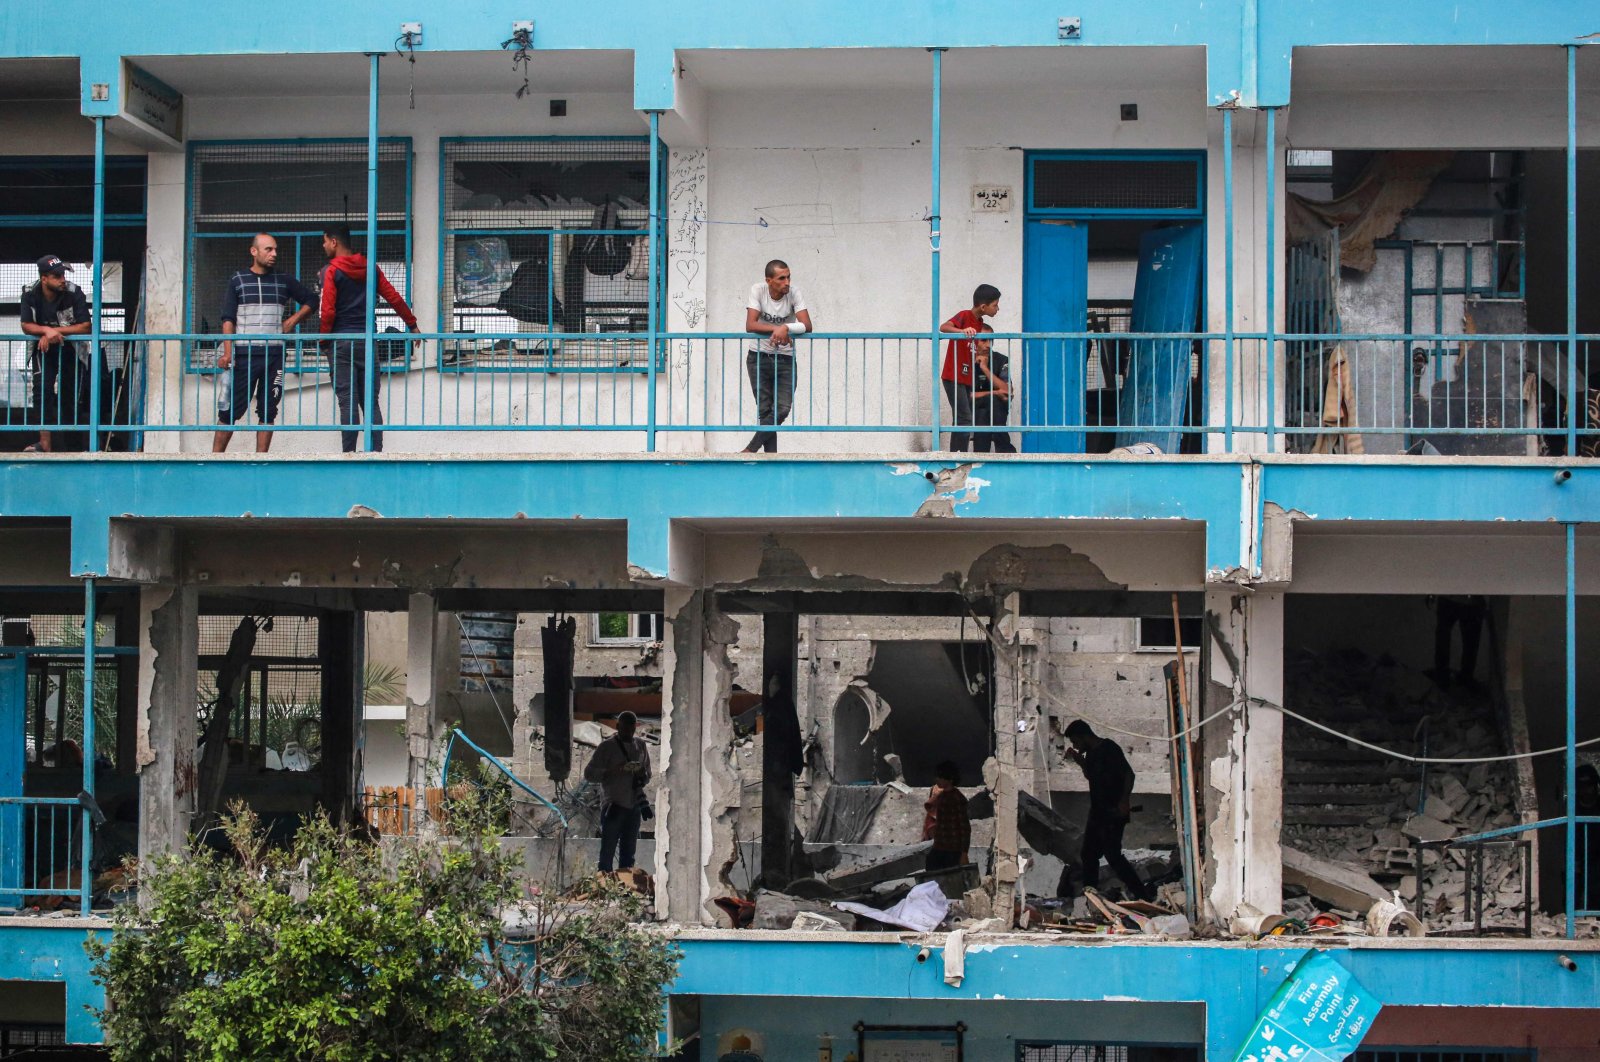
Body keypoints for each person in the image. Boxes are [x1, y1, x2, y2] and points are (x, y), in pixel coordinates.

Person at [318, 224, 419, 453]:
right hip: (367, 342)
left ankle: (350, 455)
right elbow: (393, 297)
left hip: (341, 342)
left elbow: (328, 311)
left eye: (324, 241)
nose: (323, 246)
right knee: (370, 402)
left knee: (348, 401)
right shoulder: (370, 268)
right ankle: (375, 454)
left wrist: (324, 340)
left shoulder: (331, 271)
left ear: (334, 241)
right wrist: (412, 325)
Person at [214, 234, 315, 453]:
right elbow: (228, 319)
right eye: (268, 249)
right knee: (230, 411)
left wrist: (292, 320)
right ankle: (214, 459)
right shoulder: (238, 280)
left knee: (269, 410)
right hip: (244, 355)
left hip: (274, 356)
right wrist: (228, 352)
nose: (274, 254)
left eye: (275, 250)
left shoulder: (283, 280)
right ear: (254, 251)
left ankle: (261, 461)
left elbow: (311, 300)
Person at [1064, 719, 1153, 901]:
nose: (1075, 745)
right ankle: (1091, 896)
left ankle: (1141, 895)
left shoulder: (1109, 748)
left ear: (1084, 736)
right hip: (1097, 813)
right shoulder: (1091, 755)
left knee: (1113, 856)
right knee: (1088, 854)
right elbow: (1092, 776)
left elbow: (1129, 774)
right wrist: (1081, 763)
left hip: (1112, 813)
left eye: (1075, 741)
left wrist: (1124, 801)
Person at [19, 255, 91, 453]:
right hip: (44, 348)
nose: (62, 279)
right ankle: (45, 444)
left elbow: (86, 327)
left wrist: (54, 332)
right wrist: (45, 331)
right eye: (56, 276)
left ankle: (74, 448)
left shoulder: (74, 292)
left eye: (63, 274)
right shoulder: (30, 292)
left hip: (72, 349)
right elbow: (26, 325)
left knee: (71, 396)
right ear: (44, 278)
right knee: (42, 392)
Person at [742, 260, 812, 453]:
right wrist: (778, 329)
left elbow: (807, 325)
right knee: (765, 411)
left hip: (785, 358)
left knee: (781, 409)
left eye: (789, 277)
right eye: (782, 278)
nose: (787, 282)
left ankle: (750, 449)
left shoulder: (794, 292)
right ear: (769, 280)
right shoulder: (758, 290)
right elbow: (751, 325)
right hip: (758, 357)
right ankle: (770, 458)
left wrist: (786, 327)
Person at [584, 710, 652, 873]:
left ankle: (625, 888)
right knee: (607, 851)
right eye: (625, 728)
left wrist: (642, 775)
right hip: (613, 804)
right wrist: (612, 771)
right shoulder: (606, 747)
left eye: (631, 728)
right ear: (617, 726)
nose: (629, 731)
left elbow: (648, 773)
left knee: (629, 853)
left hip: (634, 805)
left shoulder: (640, 745)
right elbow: (589, 774)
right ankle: (605, 886)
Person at [938, 284, 1001, 452]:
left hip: (966, 376)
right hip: (954, 375)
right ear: (983, 306)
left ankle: (956, 453)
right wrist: (961, 330)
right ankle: (958, 455)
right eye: (995, 305)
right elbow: (943, 327)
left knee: (962, 418)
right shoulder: (965, 316)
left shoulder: (980, 323)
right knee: (964, 418)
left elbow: (970, 347)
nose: (997, 309)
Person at [970, 323, 1016, 454]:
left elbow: (1008, 391)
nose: (988, 345)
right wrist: (995, 392)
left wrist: (985, 368)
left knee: (993, 402)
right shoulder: (965, 361)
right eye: (984, 340)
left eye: (991, 340)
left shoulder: (1001, 360)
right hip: (973, 408)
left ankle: (980, 453)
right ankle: (1004, 449)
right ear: (973, 341)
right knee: (991, 400)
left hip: (996, 409)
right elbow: (965, 395)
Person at [922, 760, 972, 873]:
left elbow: (964, 828)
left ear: (949, 779)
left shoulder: (957, 799)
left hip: (953, 849)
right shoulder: (941, 796)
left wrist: (964, 852)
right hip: (939, 846)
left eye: (940, 777)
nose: (937, 780)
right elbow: (930, 807)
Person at [1429, 595, 1487, 687]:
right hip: (1470, 600)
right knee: (1470, 643)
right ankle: (1465, 678)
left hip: (1450, 597)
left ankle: (1442, 676)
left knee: (1443, 636)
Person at [1577, 763, 1600, 913]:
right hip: (1581, 857)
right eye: (1583, 786)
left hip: (1598, 856)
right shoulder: (1571, 807)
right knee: (1580, 890)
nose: (1587, 790)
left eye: (1590, 786)